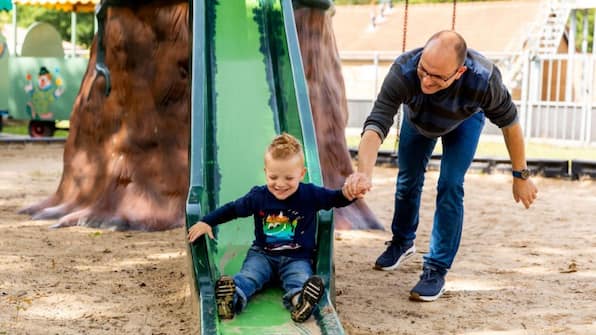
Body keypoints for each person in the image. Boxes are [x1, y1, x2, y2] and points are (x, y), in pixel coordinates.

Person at [343, 30, 538, 302]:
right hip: (419, 119)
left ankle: (436, 268)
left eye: (437, 76)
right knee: (408, 179)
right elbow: (377, 122)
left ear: (459, 72)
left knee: (450, 184)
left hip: (465, 121)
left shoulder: (483, 79)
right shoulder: (405, 70)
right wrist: (363, 172)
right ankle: (402, 241)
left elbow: (510, 124)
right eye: (424, 69)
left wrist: (521, 175)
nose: (427, 79)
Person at [188, 133, 367, 322]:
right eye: (273, 177)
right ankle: (230, 299)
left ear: (302, 173)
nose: (280, 184)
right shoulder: (258, 197)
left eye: (289, 178)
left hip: (296, 257)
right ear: (265, 172)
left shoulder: (310, 194)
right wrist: (206, 221)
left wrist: (350, 193)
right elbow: (232, 209)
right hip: (263, 255)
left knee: (298, 280)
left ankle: (301, 302)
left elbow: (335, 198)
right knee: (249, 276)